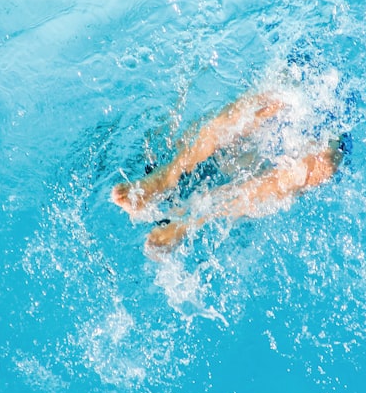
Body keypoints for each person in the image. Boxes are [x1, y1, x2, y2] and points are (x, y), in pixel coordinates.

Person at [111, 53, 353, 253]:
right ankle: (164, 177)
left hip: (328, 121)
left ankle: (190, 223)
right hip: (299, 86)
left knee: (325, 165)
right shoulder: (302, 65)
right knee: (269, 101)